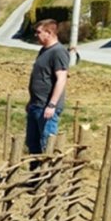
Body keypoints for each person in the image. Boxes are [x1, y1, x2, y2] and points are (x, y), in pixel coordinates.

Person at [26, 18, 69, 156]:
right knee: (33, 143)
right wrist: (31, 101)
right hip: (36, 104)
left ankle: (47, 175)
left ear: (49, 32)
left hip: (46, 107)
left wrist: (52, 105)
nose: (36, 35)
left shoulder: (58, 52)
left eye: (39, 32)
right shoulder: (44, 51)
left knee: (47, 143)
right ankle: (35, 175)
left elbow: (61, 79)